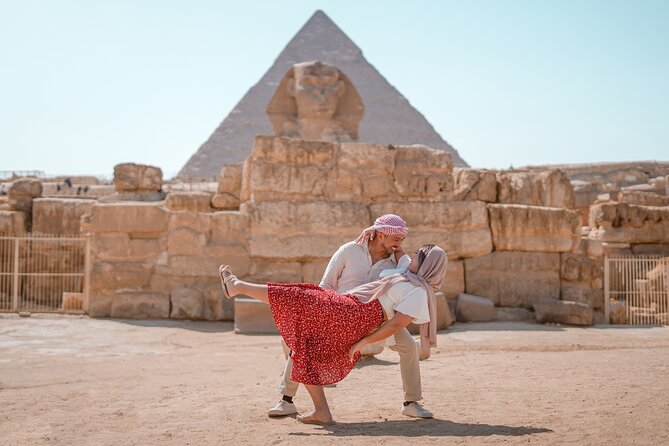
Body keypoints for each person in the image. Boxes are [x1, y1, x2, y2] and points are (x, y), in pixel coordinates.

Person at [219, 244, 447, 425]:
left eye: (420, 254)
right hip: (350, 305)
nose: (414, 253)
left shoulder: (418, 292)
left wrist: (364, 342)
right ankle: (321, 412)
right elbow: (403, 255)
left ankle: (237, 285)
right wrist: (388, 240)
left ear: (428, 265)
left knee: (300, 298)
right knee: (303, 326)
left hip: (356, 315)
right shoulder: (407, 274)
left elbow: (395, 325)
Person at [268, 214, 425, 419]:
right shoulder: (349, 251)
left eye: (401, 240)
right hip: (339, 316)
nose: (399, 244)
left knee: (409, 346)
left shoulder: (397, 263)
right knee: (304, 342)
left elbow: (411, 272)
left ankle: (411, 402)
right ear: (380, 235)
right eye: (396, 239)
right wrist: (323, 314)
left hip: (378, 321)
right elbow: (326, 285)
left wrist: (397, 247)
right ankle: (286, 400)